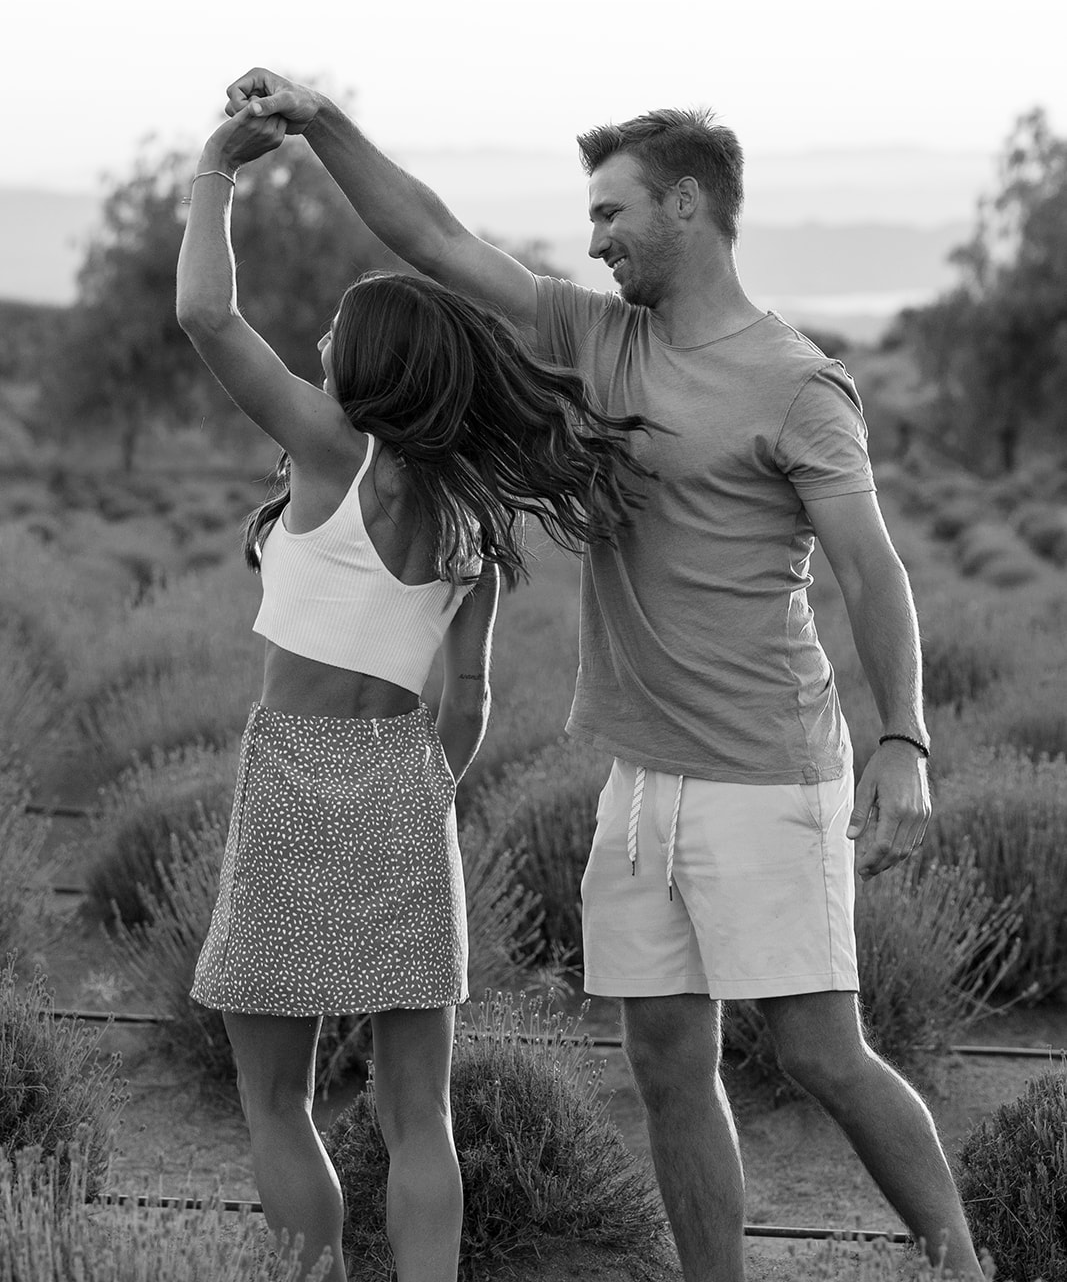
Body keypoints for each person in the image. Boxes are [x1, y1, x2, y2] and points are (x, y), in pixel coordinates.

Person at [221, 72, 985, 1282]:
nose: (592, 239)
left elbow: (868, 565)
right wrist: (316, 122)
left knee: (819, 1050)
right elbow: (426, 236)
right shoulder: (594, 335)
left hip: (764, 764)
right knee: (667, 1068)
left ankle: (959, 1260)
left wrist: (903, 737)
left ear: (686, 205)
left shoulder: (797, 383)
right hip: (639, 776)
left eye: (611, 212)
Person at [175, 103, 653, 1282]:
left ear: (371, 365)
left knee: (277, 1100)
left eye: (338, 339)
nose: (323, 355)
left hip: (290, 773)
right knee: (415, 1113)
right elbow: (471, 695)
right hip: (404, 785)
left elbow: (202, 313)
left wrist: (212, 173)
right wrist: (418, 790)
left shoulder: (330, 450)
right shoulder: (472, 521)